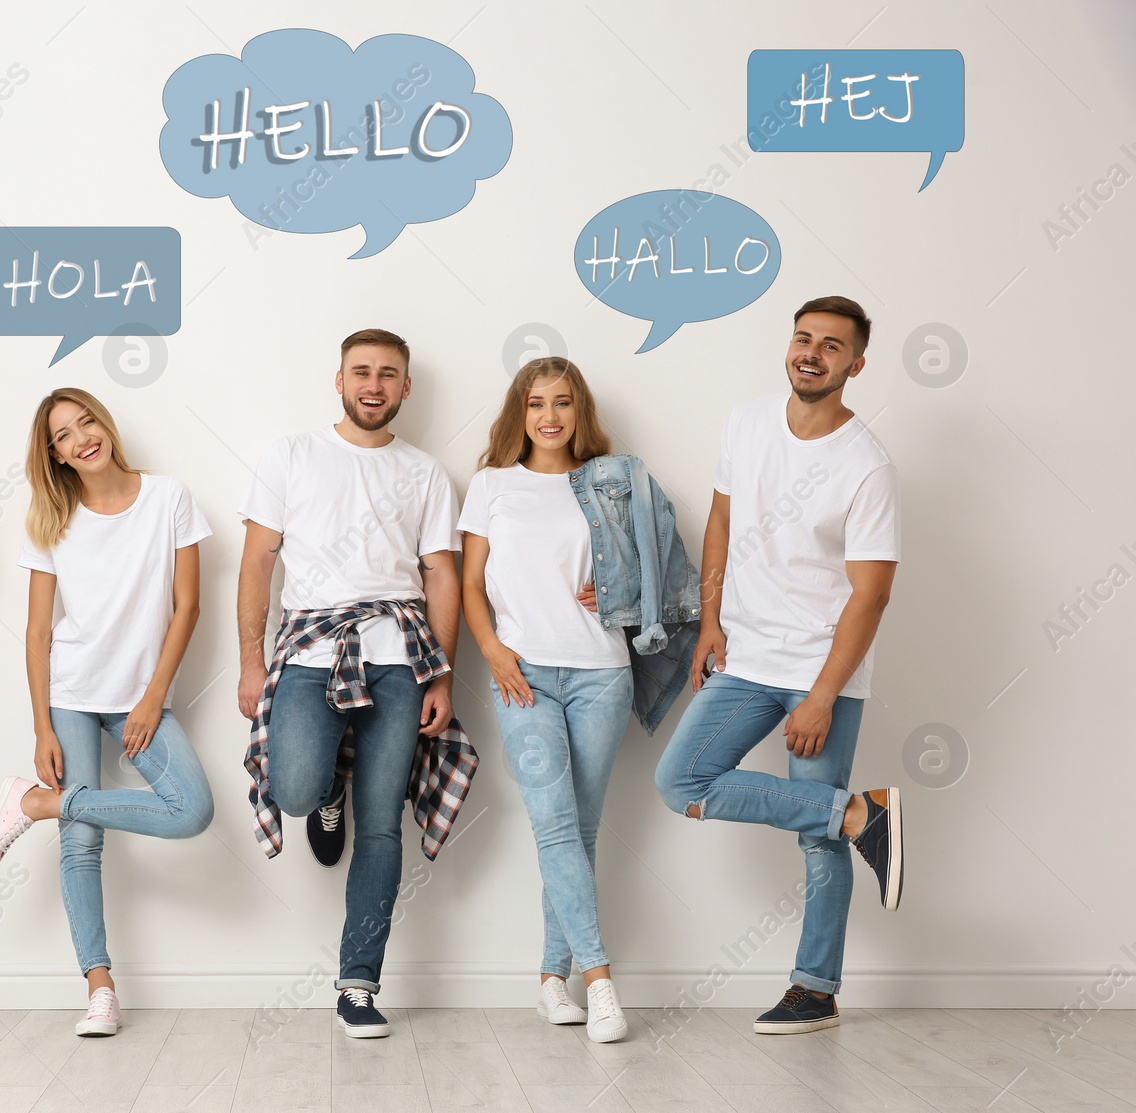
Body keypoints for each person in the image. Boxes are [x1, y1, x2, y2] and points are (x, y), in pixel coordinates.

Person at [654, 295, 904, 1035]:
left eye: (831, 346)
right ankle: (863, 812)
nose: (812, 353)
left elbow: (873, 592)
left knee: (815, 838)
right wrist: (710, 622)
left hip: (822, 667)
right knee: (680, 779)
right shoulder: (747, 421)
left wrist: (824, 694)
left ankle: (815, 989)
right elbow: (723, 520)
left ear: (855, 365)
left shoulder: (868, 466)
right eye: (803, 338)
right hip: (744, 654)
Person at [236, 328, 476, 1038]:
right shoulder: (289, 455)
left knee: (381, 826)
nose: (374, 384)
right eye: (362, 372)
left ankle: (358, 984)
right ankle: (328, 787)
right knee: (296, 788)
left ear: (406, 389)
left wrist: (443, 675)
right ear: (338, 380)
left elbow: (442, 575)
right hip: (311, 649)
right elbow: (256, 565)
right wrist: (252, 661)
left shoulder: (427, 472)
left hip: (400, 655)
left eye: (389, 374)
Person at [461, 357, 700, 1043]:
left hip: (601, 669)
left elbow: (658, 565)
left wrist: (620, 592)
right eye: (536, 402)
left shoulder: (613, 481)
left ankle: (548, 978)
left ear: (579, 410)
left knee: (579, 830)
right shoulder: (491, 485)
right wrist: (494, 649)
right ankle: (599, 981)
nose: (549, 415)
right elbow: (472, 584)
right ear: (520, 411)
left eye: (562, 402)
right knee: (555, 824)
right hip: (522, 675)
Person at [0, 388, 215, 1038]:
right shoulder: (53, 518)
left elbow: (187, 605)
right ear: (52, 454)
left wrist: (153, 695)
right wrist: (41, 725)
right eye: (64, 434)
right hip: (72, 694)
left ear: (104, 424)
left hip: (139, 697)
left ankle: (33, 804)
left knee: (192, 809)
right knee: (83, 843)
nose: (82, 437)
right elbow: (36, 632)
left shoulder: (169, 498)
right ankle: (100, 987)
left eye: (87, 421)